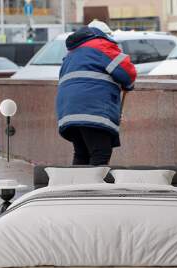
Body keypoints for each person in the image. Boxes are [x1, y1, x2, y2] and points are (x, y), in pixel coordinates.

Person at [56, 20, 137, 165]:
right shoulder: (101, 44)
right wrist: (128, 85)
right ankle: (94, 187)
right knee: (100, 153)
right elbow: (127, 72)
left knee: (82, 154)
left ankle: (75, 186)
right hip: (92, 109)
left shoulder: (72, 53)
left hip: (68, 110)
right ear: (104, 35)